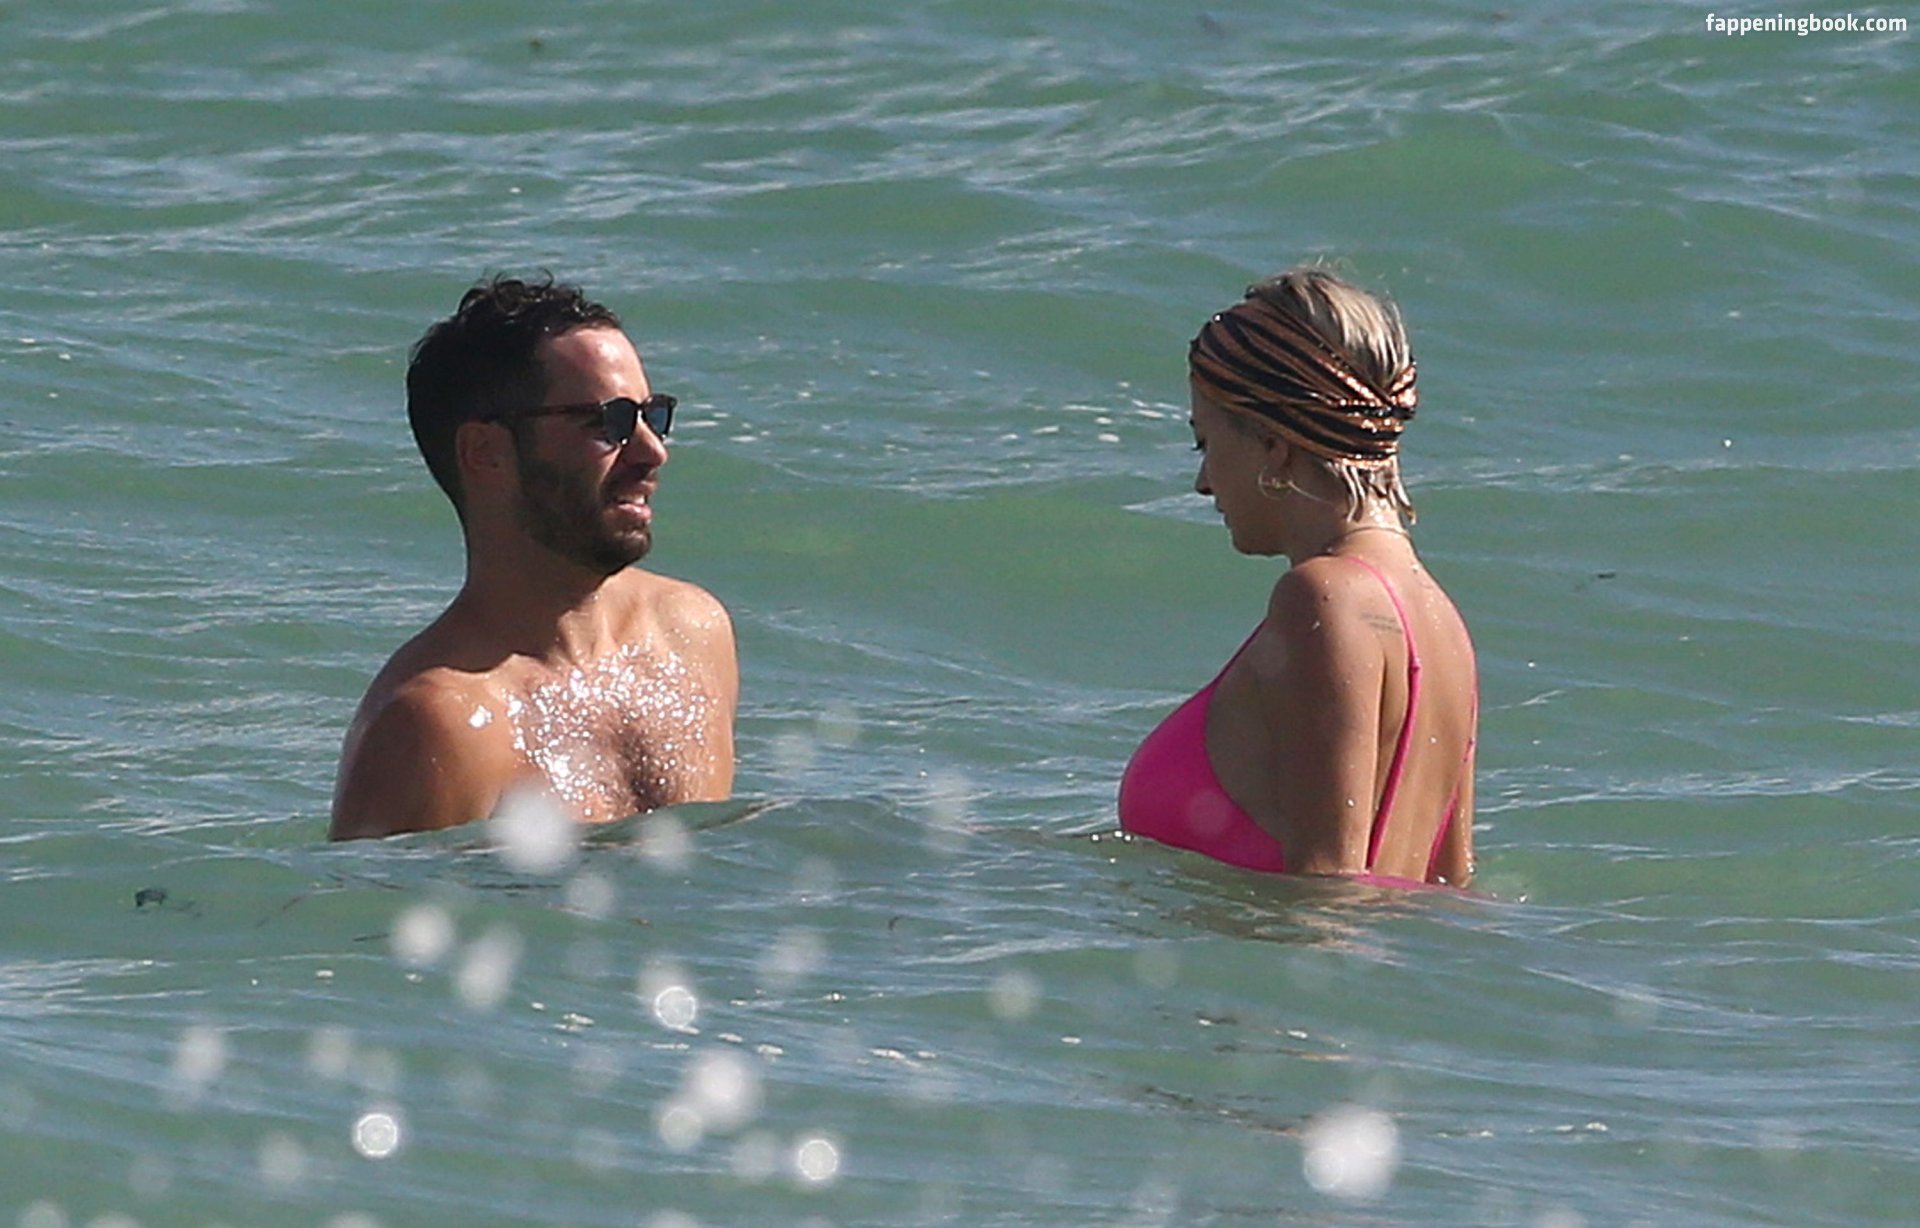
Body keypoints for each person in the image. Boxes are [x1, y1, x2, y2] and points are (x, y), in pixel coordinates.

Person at [330, 275, 738, 840]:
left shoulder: (691, 635)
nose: (652, 452)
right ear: (485, 452)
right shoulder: (436, 727)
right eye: (610, 422)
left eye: (654, 415)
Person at [1118, 267, 1476, 885]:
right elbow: (1450, 889)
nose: (1203, 481)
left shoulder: (1325, 601)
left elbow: (1324, 895)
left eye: (1205, 443)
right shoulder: (1439, 619)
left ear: (1274, 446)